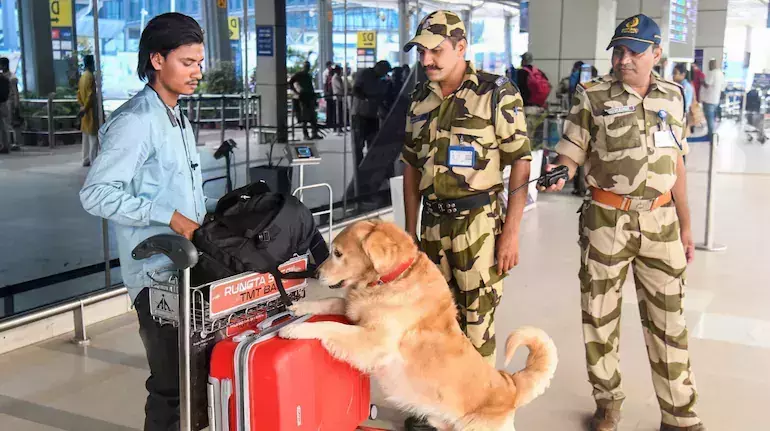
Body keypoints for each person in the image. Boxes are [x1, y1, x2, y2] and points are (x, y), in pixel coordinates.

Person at [541, 14, 705, 431]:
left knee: (669, 319)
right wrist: (560, 170)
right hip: (606, 220)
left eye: (633, 51)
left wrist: (687, 225)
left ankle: (679, 414)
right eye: (618, 50)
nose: (623, 59)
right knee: (599, 316)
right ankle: (608, 402)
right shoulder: (592, 95)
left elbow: (678, 163)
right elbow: (572, 150)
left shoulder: (674, 96)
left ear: (656, 53)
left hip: (662, 221)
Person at [79, 13, 216, 431]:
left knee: (199, 384)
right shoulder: (136, 122)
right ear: (157, 60)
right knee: (173, 388)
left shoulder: (178, 118)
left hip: (190, 270)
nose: (197, 72)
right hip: (156, 276)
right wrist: (169, 217)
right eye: (188, 62)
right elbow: (95, 194)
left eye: (199, 62)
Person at [401, 10, 531, 430]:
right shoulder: (421, 99)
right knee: (432, 322)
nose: (426, 61)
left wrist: (510, 234)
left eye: (436, 51)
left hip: (478, 223)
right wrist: (409, 231)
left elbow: (520, 163)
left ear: (461, 47)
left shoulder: (496, 93)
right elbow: (409, 165)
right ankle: (436, 407)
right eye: (422, 52)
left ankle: (476, 413)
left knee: (477, 321)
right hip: (432, 224)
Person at [351, 59, 391, 166]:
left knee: (373, 143)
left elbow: (381, 98)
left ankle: (369, 166)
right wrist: (368, 98)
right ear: (377, 67)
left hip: (373, 115)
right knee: (359, 144)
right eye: (384, 71)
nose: (384, 74)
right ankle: (358, 167)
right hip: (360, 114)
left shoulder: (381, 80)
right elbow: (356, 90)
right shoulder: (364, 74)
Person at [289, 61, 321, 140]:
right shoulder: (299, 75)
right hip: (303, 98)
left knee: (313, 117)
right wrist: (297, 92)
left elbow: (310, 86)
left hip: (310, 97)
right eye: (306, 66)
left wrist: (314, 96)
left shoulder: (308, 75)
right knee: (305, 117)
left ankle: (314, 133)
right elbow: (290, 82)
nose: (308, 68)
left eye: (308, 66)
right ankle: (305, 134)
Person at [77, 55, 99, 167]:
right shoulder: (90, 77)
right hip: (90, 111)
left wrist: (82, 107)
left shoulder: (82, 77)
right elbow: (91, 95)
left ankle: (85, 159)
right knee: (93, 138)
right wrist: (86, 108)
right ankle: (93, 160)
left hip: (84, 111)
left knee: (85, 136)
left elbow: (79, 93)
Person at [701, 58, 724, 140]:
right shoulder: (720, 73)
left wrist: (702, 81)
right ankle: (711, 133)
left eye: (710, 64)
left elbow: (707, 84)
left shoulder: (712, 73)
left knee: (709, 118)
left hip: (709, 99)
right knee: (712, 117)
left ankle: (710, 135)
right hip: (715, 99)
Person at [0, 57, 20, 152]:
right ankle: (7, 143)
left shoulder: (12, 78)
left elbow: (15, 92)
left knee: (10, 123)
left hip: (9, 102)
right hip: (6, 102)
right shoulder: (3, 77)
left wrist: (16, 105)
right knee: (6, 123)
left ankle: (13, 143)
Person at [0, 57, 12, 154]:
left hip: (2, 103)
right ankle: (5, 145)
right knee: (3, 126)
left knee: (3, 126)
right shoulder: (4, 78)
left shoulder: (4, 78)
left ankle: (4, 145)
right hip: (3, 103)